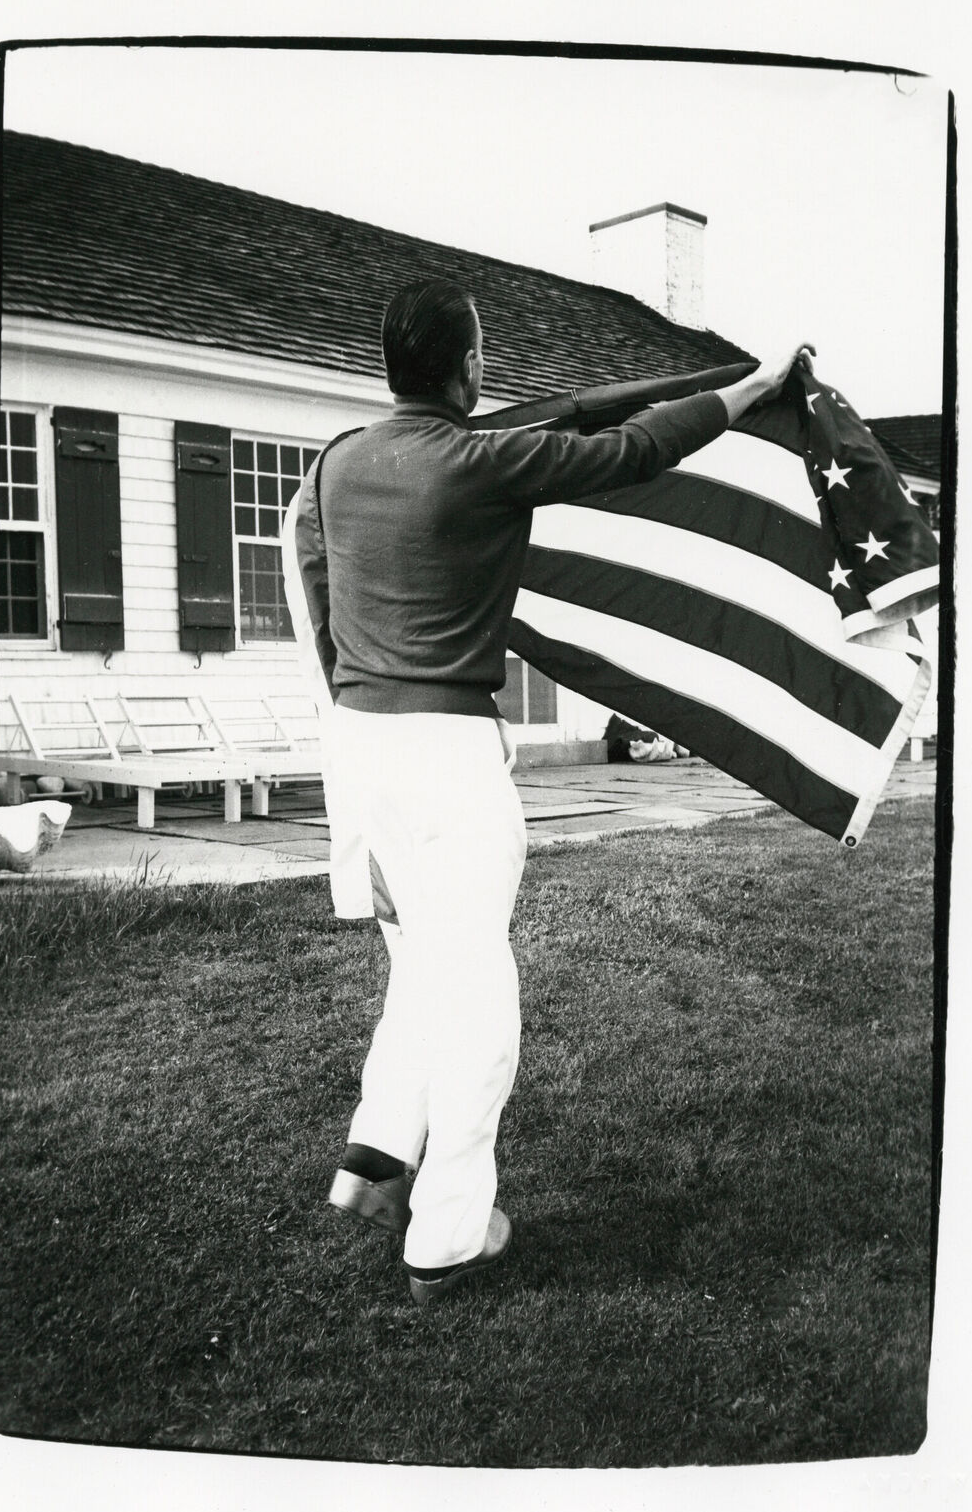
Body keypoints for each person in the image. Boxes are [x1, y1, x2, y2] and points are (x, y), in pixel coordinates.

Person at [286, 279, 813, 1306]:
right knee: (478, 993)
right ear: (469, 367)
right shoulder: (481, 461)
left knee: (421, 961)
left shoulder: (338, 460)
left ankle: (375, 1157)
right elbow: (636, 448)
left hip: (359, 745)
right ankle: (447, 1235)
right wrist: (753, 389)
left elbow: (313, 570)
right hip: (446, 755)